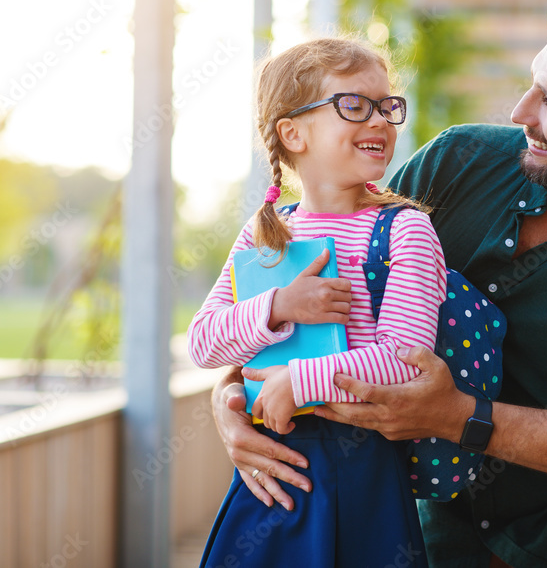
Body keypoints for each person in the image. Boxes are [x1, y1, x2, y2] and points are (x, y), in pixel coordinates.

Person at [210, 0, 547, 568]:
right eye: (533, 84)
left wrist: (458, 416)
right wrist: (231, 396)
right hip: (408, 503)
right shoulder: (457, 161)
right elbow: (332, 269)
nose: (520, 111)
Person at [187, 37, 447, 568]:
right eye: (353, 105)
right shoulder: (265, 237)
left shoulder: (406, 229)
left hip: (363, 466)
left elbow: (405, 357)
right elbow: (204, 343)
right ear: (293, 132)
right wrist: (278, 305)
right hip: (270, 469)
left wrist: (298, 381)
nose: (379, 121)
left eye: (387, 106)